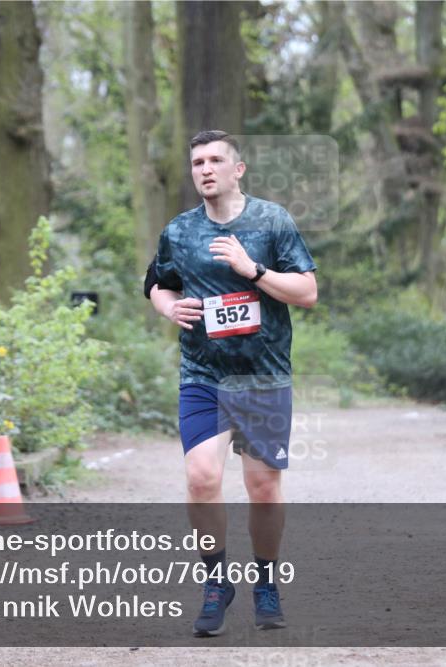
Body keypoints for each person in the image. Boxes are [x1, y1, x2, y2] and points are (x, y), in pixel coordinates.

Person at [143, 130, 317, 636]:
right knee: (201, 477)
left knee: (263, 489)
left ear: (238, 169)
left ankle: (265, 581)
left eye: (216, 159)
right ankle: (216, 582)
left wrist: (253, 269)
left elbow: (307, 292)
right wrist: (169, 306)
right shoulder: (179, 231)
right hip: (203, 374)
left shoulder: (271, 221)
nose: (206, 168)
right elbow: (157, 283)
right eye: (198, 161)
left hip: (262, 376)